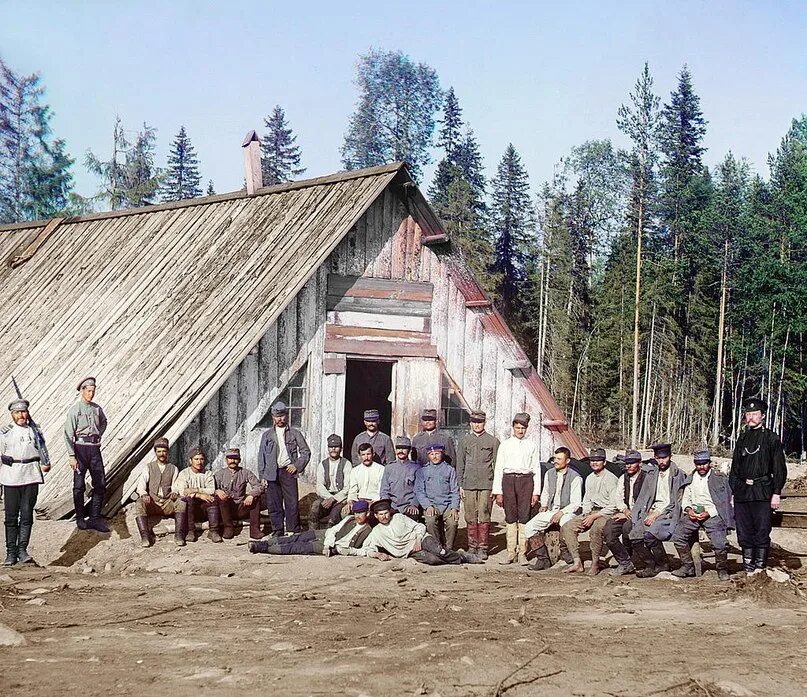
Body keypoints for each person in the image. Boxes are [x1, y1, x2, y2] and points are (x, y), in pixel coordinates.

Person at [729, 397, 787, 572]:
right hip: (743, 493)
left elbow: (779, 468)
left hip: (763, 492)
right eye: (748, 414)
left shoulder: (772, 439)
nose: (751, 417)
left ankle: (760, 567)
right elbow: (735, 468)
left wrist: (776, 492)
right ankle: (748, 566)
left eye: (755, 414)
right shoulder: (742, 439)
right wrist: (734, 491)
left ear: (762, 416)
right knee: (744, 530)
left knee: (761, 530)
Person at [1, 399, 50, 566]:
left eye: (23, 412)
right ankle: (10, 553)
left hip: (30, 475)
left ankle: (22, 550)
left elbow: (43, 449)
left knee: (27, 515)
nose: (21, 415)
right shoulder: (5, 433)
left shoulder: (35, 431)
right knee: (11, 516)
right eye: (17, 412)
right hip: (11, 476)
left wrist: (45, 462)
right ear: (12, 414)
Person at [672, 450, 734, 581]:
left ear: (709, 463)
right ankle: (687, 565)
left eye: (704, 463)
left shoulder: (719, 478)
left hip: (713, 514)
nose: (701, 467)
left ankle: (722, 569)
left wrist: (709, 512)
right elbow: (686, 498)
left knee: (720, 544)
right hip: (694, 513)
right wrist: (689, 510)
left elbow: (724, 502)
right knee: (678, 536)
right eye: (698, 464)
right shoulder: (691, 478)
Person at [363, 499, 481, 566]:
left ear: (390, 512)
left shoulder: (399, 517)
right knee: (433, 560)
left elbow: (419, 526)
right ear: (376, 516)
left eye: (386, 513)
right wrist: (378, 555)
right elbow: (367, 548)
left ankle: (463, 557)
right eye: (381, 514)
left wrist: (418, 540)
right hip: (410, 552)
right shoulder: (376, 532)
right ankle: (457, 555)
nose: (384, 516)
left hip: (422, 539)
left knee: (440, 551)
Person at [630, 443, 686, 578]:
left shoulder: (678, 475)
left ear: (670, 457)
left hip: (668, 513)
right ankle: (650, 564)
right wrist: (636, 515)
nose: (661, 461)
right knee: (634, 535)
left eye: (664, 458)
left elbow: (677, 502)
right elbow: (643, 497)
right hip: (651, 511)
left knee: (651, 534)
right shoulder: (651, 474)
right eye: (658, 458)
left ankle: (662, 564)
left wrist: (657, 514)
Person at [491, 413, 541, 565]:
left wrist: (536, 492)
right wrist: (498, 491)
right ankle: (510, 553)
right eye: (517, 428)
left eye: (523, 428)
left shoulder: (532, 445)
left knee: (524, 516)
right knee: (511, 516)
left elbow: (536, 469)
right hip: (508, 481)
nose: (520, 431)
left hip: (526, 481)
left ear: (526, 429)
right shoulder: (505, 445)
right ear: (513, 427)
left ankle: (522, 553)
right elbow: (498, 468)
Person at [560, 448, 619, 575]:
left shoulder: (611, 479)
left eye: (598, 460)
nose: (594, 463)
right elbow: (586, 499)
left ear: (604, 462)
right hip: (592, 511)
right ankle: (577, 562)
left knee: (596, 530)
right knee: (568, 527)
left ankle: (595, 563)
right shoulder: (590, 478)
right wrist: (587, 513)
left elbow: (614, 505)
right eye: (592, 460)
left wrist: (594, 516)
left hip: (606, 513)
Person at [524, 447, 583, 571]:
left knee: (566, 525)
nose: (555, 461)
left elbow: (576, 503)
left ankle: (568, 554)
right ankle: (543, 559)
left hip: (568, 511)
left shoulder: (575, 477)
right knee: (529, 527)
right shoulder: (549, 473)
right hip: (551, 510)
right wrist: (544, 505)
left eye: (559, 459)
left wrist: (561, 513)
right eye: (555, 458)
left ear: (567, 461)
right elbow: (545, 491)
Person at [257, 400, 311, 536]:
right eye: (277, 416)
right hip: (271, 473)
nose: (280, 419)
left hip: (288, 471)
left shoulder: (294, 433)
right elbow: (261, 456)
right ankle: (277, 530)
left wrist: (297, 466)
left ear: (287, 416)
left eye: (282, 415)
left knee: (291, 502)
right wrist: (262, 476)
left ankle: (293, 530)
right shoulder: (267, 435)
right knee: (274, 503)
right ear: (273, 417)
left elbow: (306, 452)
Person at [64, 376, 109, 532]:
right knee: (78, 486)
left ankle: (95, 518)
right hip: (79, 449)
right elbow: (68, 434)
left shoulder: (97, 409)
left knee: (100, 483)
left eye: (93, 391)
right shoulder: (75, 410)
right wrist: (71, 456)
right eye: (88, 391)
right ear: (82, 391)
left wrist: (97, 434)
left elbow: (104, 422)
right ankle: (80, 518)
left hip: (94, 449)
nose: (91, 394)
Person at [249, 500, 372, 556]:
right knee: (297, 537)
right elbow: (334, 530)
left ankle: (261, 549)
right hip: (327, 535)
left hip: (333, 547)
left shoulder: (368, 531)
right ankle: (263, 543)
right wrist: (328, 543)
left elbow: (364, 551)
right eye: (356, 512)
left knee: (297, 547)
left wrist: (345, 551)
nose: (357, 516)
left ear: (367, 513)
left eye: (361, 513)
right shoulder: (349, 519)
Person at [455, 410, 499, 560]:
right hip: (468, 483)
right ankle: (472, 546)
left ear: (484, 423)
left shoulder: (492, 441)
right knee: (470, 515)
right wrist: (460, 484)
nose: (477, 425)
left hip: (487, 483)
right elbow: (460, 464)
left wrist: (496, 487)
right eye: (474, 422)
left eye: (479, 422)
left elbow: (497, 466)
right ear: (470, 423)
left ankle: (483, 548)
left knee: (484, 514)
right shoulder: (464, 441)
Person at [604, 450, 646, 576]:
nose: (629, 466)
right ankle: (625, 562)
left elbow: (648, 500)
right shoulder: (624, 477)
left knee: (628, 529)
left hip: (642, 514)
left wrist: (632, 513)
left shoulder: (647, 478)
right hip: (625, 512)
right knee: (609, 530)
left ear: (640, 463)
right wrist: (624, 509)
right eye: (627, 463)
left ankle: (635, 559)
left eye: (632, 463)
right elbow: (618, 497)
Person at [133, 437, 182, 547]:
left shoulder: (173, 468)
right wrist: (144, 494)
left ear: (167, 452)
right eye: (159, 451)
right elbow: (141, 486)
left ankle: (179, 535)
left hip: (167, 504)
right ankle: (145, 537)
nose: (161, 454)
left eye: (164, 451)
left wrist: (175, 492)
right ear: (155, 452)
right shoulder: (148, 467)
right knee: (139, 503)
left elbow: (176, 485)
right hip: (153, 503)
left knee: (181, 502)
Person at [414, 443, 461, 550]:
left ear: (442, 454)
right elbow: (420, 491)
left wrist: (454, 507)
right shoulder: (422, 471)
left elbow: (455, 490)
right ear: (428, 456)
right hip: (432, 504)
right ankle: (437, 546)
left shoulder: (449, 470)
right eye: (431, 454)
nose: (434, 456)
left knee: (452, 522)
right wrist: (428, 506)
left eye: (437, 453)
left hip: (447, 505)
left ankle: (449, 547)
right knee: (430, 521)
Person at [174, 446, 222, 544]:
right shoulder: (184, 473)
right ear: (190, 460)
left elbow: (211, 490)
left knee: (213, 499)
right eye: (196, 459)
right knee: (187, 499)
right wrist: (199, 495)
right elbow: (183, 491)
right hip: (191, 509)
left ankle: (213, 531)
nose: (199, 462)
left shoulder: (208, 474)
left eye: (201, 459)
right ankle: (191, 531)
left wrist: (195, 491)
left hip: (204, 509)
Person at [214, 448, 263, 541]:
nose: (233, 461)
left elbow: (259, 486)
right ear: (226, 460)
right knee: (221, 499)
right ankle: (228, 528)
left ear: (239, 460)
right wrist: (217, 491)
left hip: (241, 507)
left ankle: (255, 530)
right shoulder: (219, 474)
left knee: (256, 498)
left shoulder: (245, 472)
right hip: (226, 510)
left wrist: (251, 495)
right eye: (230, 458)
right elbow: (211, 488)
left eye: (235, 458)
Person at [309, 434, 352, 530]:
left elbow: (347, 487)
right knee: (315, 507)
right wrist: (329, 498)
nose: (333, 449)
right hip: (326, 497)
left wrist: (334, 499)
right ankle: (312, 536)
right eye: (331, 447)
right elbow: (320, 486)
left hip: (341, 499)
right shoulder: (322, 464)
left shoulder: (346, 464)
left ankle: (331, 538)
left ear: (341, 448)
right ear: (328, 448)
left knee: (333, 517)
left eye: (336, 447)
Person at [379, 436, 421, 520]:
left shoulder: (416, 468)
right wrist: (386, 506)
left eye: (404, 448)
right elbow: (384, 490)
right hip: (392, 506)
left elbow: (419, 490)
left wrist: (414, 504)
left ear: (409, 450)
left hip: (408, 506)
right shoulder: (389, 468)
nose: (401, 451)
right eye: (398, 448)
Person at [346, 442, 385, 509]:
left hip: (375, 501)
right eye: (363, 455)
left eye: (368, 454)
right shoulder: (355, 470)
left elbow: (381, 489)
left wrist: (374, 502)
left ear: (373, 454)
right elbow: (353, 489)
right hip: (359, 501)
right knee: (346, 513)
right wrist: (350, 501)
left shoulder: (381, 469)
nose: (366, 457)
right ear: (359, 456)